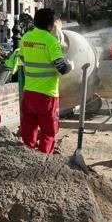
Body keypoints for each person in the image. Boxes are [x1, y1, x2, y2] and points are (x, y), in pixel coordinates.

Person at [19, 8, 73, 154]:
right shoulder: (51, 41)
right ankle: (43, 164)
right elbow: (62, 68)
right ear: (51, 25)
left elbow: (23, 59)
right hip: (47, 96)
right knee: (48, 132)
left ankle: (27, 159)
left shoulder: (26, 38)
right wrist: (70, 65)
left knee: (28, 132)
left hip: (29, 93)